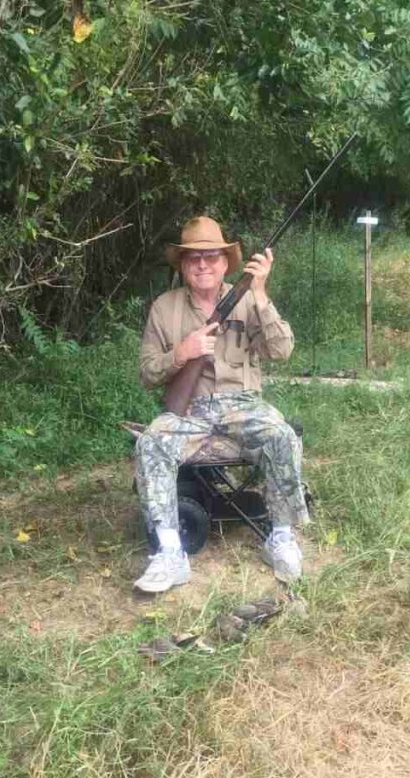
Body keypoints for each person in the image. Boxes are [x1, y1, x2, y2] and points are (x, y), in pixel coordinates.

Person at [134, 215, 309, 593]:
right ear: (181, 265)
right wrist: (181, 353)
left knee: (280, 434)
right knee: (151, 442)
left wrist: (260, 293)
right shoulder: (164, 308)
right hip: (191, 411)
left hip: (244, 405)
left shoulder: (249, 300)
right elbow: (148, 373)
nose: (202, 265)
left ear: (226, 263)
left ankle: (281, 537)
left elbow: (282, 351)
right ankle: (169, 552)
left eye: (211, 257)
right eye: (193, 258)